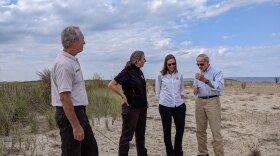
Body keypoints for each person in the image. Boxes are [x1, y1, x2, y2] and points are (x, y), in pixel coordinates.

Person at [51, 26, 98, 156]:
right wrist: (76, 126)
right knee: (71, 152)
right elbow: (64, 98)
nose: (84, 42)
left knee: (90, 150)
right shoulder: (64, 64)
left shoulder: (70, 60)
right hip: (69, 114)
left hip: (78, 111)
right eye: (82, 39)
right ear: (73, 41)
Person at [108, 50, 148, 156]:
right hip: (131, 109)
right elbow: (111, 84)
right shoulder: (127, 71)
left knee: (140, 135)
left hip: (142, 108)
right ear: (137, 60)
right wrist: (122, 95)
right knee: (126, 137)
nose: (145, 61)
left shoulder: (140, 71)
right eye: (144, 59)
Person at [193, 53, 224, 156]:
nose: (199, 67)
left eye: (201, 64)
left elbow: (220, 87)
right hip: (199, 101)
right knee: (200, 130)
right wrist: (195, 90)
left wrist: (205, 80)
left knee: (216, 131)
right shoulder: (198, 73)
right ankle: (203, 153)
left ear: (207, 62)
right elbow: (194, 88)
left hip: (212, 101)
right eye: (197, 64)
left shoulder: (216, 71)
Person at [155, 54, 186, 156]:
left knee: (180, 130)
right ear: (166, 64)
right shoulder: (160, 75)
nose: (172, 66)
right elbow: (158, 91)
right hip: (165, 106)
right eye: (169, 64)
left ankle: (178, 152)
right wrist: (164, 100)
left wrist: (181, 98)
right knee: (167, 131)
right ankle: (170, 153)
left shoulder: (179, 75)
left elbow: (182, 89)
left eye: (173, 63)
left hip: (179, 106)